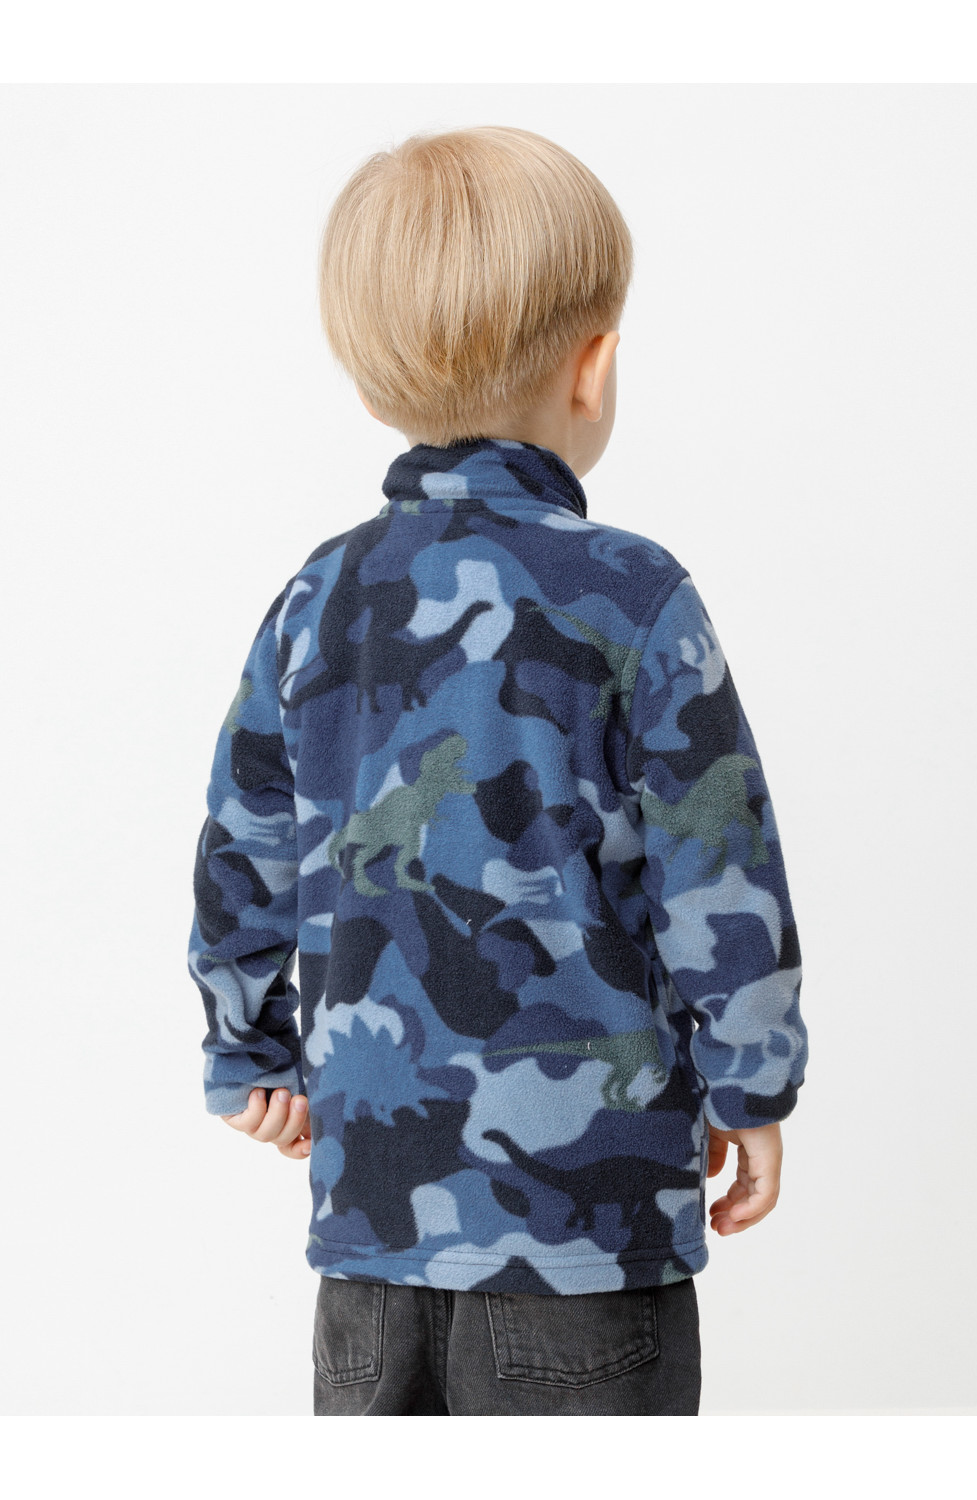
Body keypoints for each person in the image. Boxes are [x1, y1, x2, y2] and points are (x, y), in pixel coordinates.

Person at [186, 124, 808, 1417]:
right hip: (589, 1243)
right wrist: (754, 1084)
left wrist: (247, 1051)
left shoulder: (316, 601)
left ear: (371, 390)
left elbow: (244, 846)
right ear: (595, 368)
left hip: (371, 1242)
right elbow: (719, 866)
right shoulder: (634, 597)